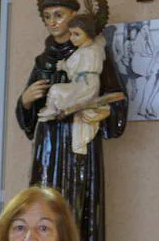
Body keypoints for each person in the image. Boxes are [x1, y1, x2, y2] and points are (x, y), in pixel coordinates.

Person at [17, 0, 127, 241]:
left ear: (75, 16)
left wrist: (102, 111)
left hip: (78, 141)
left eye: (59, 15)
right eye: (47, 17)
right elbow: (29, 117)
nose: (53, 22)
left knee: (78, 200)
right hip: (49, 142)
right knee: (44, 199)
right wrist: (25, 100)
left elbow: (117, 99)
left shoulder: (93, 53)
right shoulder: (44, 60)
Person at [38, 14, 108, 156]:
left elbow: (71, 69)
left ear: (88, 34)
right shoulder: (95, 48)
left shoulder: (85, 52)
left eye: (76, 34)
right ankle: (54, 108)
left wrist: (63, 65)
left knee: (56, 89)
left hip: (85, 86)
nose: (72, 38)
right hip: (88, 85)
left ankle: (51, 109)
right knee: (59, 90)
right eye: (71, 34)